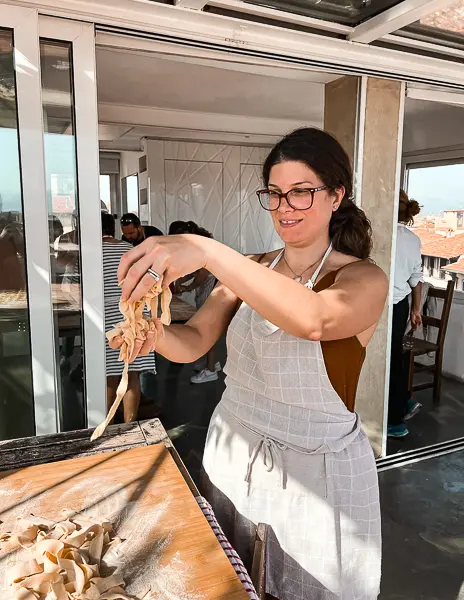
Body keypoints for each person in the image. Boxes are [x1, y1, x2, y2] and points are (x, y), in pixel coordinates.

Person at [115, 128, 388, 600]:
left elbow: (314, 320)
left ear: (336, 195)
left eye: (302, 192)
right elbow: (196, 340)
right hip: (234, 449)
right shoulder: (252, 265)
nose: (285, 207)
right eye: (276, 194)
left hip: (314, 475)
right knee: (232, 581)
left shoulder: (362, 277)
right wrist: (154, 334)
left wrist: (206, 250)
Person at [102, 212, 156, 423]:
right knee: (131, 372)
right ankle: (129, 425)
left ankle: (108, 424)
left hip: (104, 315)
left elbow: (74, 288)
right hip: (132, 313)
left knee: (108, 375)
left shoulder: (89, 254)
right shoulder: (130, 251)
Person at [388, 190, 423, 438]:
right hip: (399, 307)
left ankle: (393, 418)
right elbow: (416, 280)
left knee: (383, 363)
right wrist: (416, 310)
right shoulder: (412, 240)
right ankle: (402, 405)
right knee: (395, 359)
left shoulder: (377, 235)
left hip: (377, 305)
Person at [169, 220, 220, 383]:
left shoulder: (202, 246)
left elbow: (201, 276)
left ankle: (211, 371)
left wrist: (184, 288)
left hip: (212, 291)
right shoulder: (195, 244)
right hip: (206, 290)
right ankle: (212, 363)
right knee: (206, 328)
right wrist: (178, 278)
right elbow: (192, 271)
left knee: (207, 330)